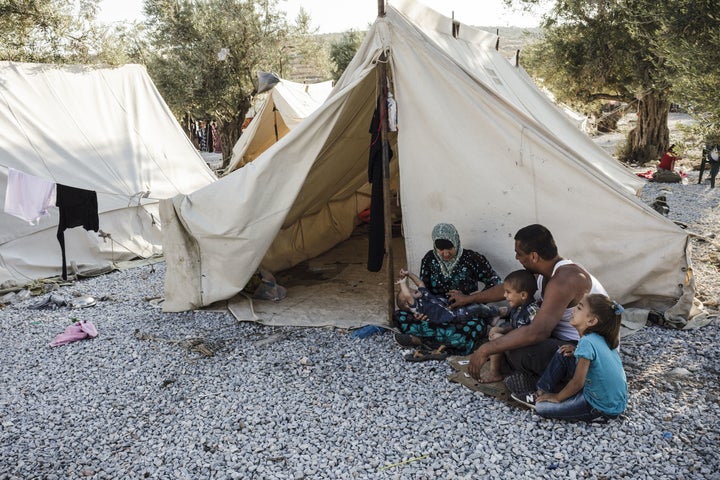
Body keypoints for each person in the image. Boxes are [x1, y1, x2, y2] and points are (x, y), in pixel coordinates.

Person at [464, 224, 608, 382]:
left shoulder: (564, 279)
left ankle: (544, 383)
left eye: (518, 254)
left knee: (519, 350)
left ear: (533, 256)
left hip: (587, 355)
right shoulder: (546, 272)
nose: (516, 258)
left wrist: (485, 349)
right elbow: (510, 287)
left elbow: (538, 332)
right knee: (509, 337)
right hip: (564, 341)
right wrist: (469, 299)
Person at [512, 294, 628, 423]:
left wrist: (558, 397)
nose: (572, 310)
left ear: (591, 321)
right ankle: (540, 392)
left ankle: (596, 416)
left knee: (542, 408)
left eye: (579, 308)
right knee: (563, 352)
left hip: (600, 407)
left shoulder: (587, 342)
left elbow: (578, 382)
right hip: (615, 401)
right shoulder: (600, 338)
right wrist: (576, 352)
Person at [394, 223, 502, 356]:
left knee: (474, 326)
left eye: (450, 248)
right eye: (440, 250)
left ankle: (424, 340)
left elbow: (496, 282)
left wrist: (472, 297)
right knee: (400, 315)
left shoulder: (473, 259)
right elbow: (423, 289)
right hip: (435, 311)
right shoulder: (429, 259)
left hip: (464, 312)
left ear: (456, 241)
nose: (445, 253)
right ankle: (443, 344)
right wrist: (420, 312)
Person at [482, 269, 540, 383]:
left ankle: (495, 373)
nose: (504, 295)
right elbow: (516, 327)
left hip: (527, 352)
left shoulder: (533, 311)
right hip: (516, 347)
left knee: (497, 339)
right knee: (496, 331)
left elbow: (533, 335)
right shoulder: (517, 307)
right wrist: (503, 330)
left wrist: (502, 337)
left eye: (508, 292)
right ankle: (503, 366)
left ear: (523, 295)